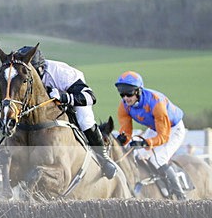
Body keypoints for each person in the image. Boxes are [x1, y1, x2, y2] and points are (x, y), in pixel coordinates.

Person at [15, 46, 117, 180]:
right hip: (48, 103)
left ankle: (104, 158)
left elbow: (91, 97)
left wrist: (64, 98)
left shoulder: (61, 73)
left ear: (40, 68)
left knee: (85, 121)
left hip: (73, 95)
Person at [115, 71, 187, 200]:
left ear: (138, 91)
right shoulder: (124, 106)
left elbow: (164, 136)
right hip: (155, 128)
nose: (125, 98)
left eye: (129, 93)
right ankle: (153, 183)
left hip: (173, 129)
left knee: (157, 159)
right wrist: (121, 140)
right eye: (122, 94)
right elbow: (126, 132)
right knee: (138, 155)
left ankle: (180, 196)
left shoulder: (156, 103)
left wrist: (146, 143)